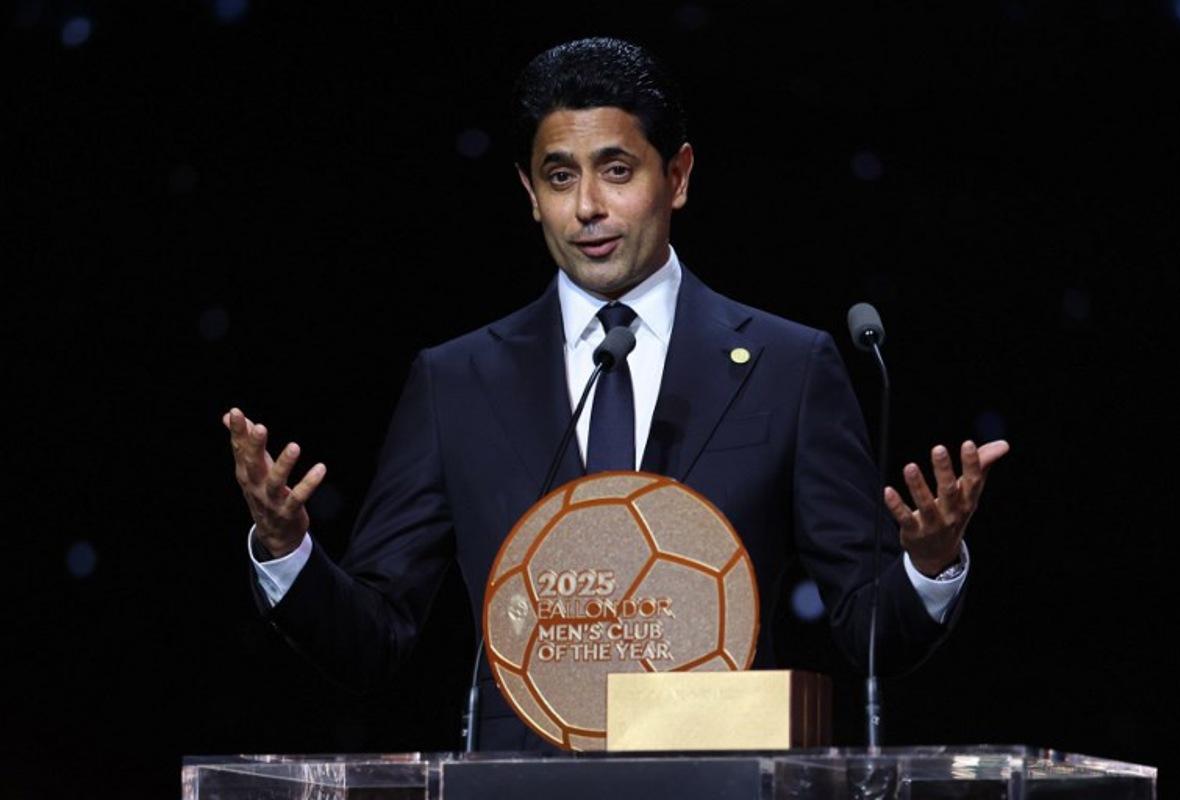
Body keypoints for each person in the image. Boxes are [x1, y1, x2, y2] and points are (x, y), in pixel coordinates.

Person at [223, 37, 1008, 751]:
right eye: (560, 177)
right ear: (531, 193)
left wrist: (928, 565)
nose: (588, 208)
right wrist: (290, 551)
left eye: (618, 170)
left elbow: (871, 631)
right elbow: (377, 638)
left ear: (680, 175)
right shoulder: (455, 382)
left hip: (719, 771)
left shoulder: (786, 367)